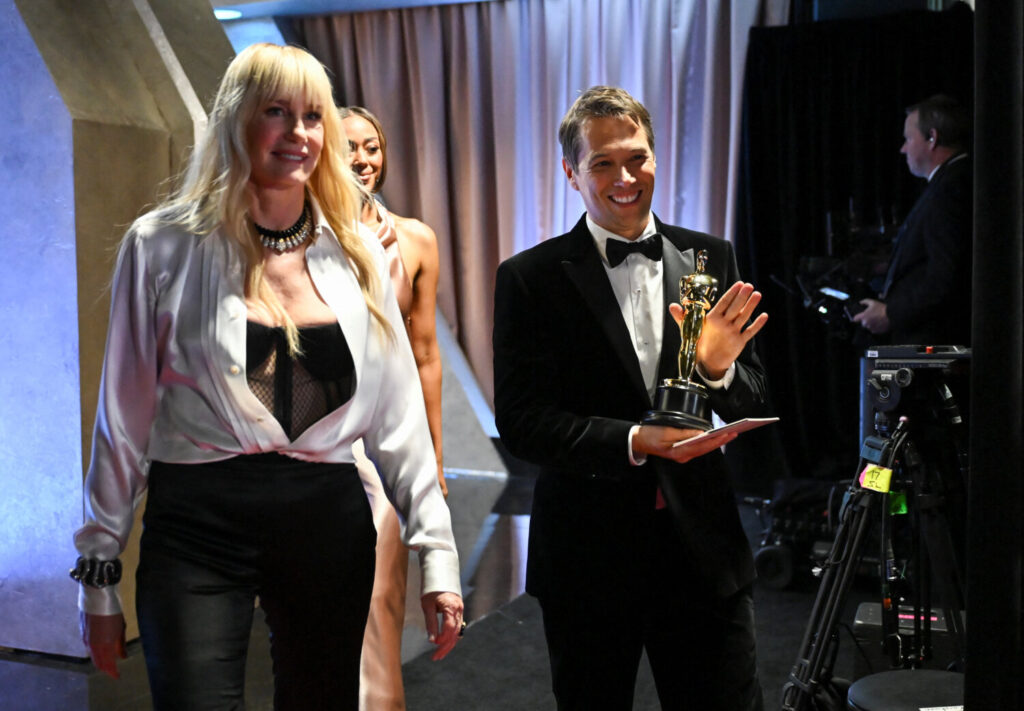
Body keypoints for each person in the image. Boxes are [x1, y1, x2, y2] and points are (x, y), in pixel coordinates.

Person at [71, 43, 463, 710]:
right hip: (195, 523)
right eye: (276, 112)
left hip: (328, 521)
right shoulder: (161, 244)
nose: (299, 133)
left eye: (313, 116)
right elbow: (123, 420)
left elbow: (399, 421)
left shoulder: (363, 253)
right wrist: (97, 573)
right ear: (235, 120)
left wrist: (439, 556)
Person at [492, 86, 769, 710]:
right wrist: (634, 441)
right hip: (588, 556)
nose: (626, 177)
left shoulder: (710, 256)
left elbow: (754, 400)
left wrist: (720, 372)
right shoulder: (530, 279)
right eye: (604, 163)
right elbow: (521, 420)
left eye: (637, 157)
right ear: (572, 172)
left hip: (703, 548)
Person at [340, 105, 445, 710]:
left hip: (389, 435)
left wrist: (433, 457)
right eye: (349, 146)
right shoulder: (302, 231)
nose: (363, 159)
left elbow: (426, 354)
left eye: (373, 146)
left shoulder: (416, 238)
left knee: (384, 593)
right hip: (324, 433)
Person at [853, 94, 972, 345]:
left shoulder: (951, 189)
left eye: (908, 139)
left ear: (932, 138)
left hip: (934, 344)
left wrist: (890, 313)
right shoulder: (947, 183)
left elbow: (946, 277)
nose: (903, 148)